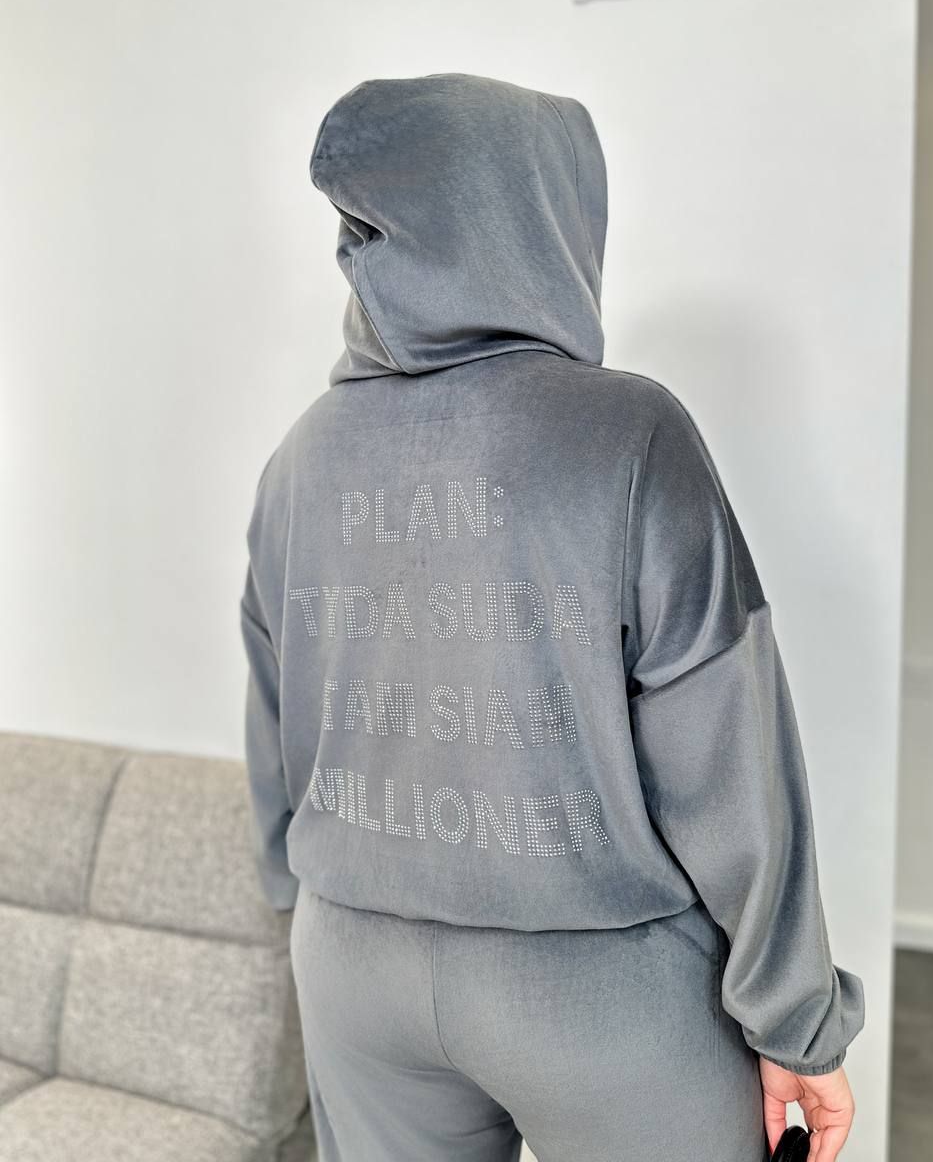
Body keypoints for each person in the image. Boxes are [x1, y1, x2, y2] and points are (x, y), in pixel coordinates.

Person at [239, 72, 865, 1162]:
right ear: (542, 218)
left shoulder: (299, 457)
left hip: (351, 968)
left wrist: (296, 893)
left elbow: (273, 725)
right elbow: (726, 750)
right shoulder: (627, 432)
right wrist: (795, 1020)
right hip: (595, 986)